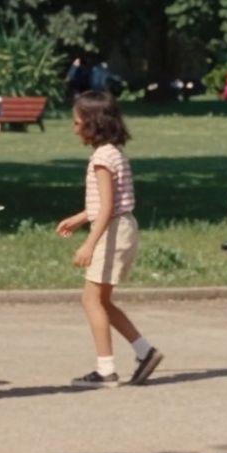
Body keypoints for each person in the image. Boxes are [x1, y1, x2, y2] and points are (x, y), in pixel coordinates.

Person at [56, 91, 164, 389]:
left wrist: (89, 243)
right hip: (121, 226)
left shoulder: (102, 158)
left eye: (77, 121)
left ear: (94, 123)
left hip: (112, 231)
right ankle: (145, 351)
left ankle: (106, 370)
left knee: (90, 299)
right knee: (102, 300)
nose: (74, 127)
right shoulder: (113, 152)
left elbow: (106, 208)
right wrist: (79, 218)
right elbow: (109, 202)